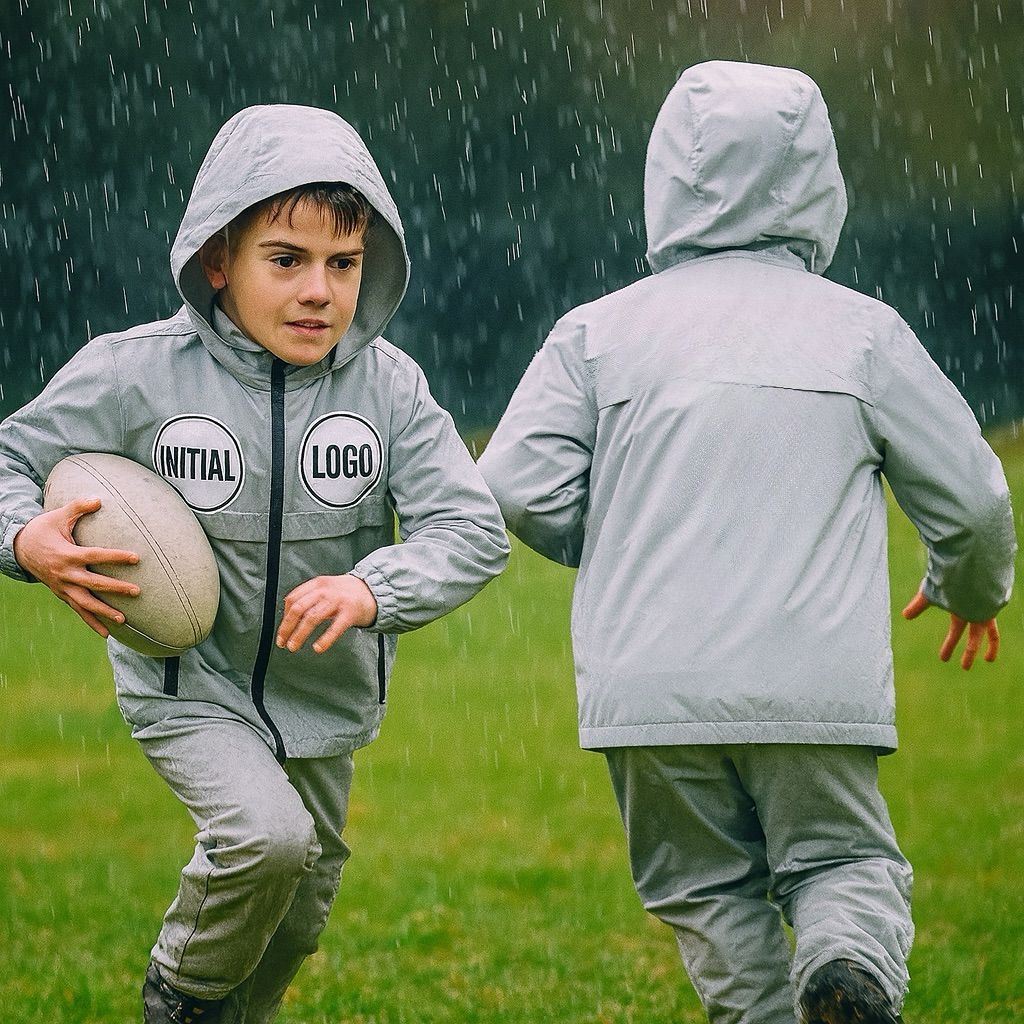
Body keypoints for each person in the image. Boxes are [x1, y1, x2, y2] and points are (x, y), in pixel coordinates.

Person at [478, 61, 1016, 1024]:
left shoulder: (598, 333)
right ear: (819, 180)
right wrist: (969, 587)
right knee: (843, 861)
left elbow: (516, 487)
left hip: (645, 686)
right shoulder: (861, 334)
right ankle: (843, 962)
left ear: (663, 182)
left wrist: (609, 540)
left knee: (707, 896)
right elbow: (971, 496)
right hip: (809, 684)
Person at [0, 104, 509, 1023]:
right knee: (265, 842)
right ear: (218, 262)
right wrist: (23, 538)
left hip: (327, 700)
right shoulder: (137, 373)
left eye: (343, 264)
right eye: (286, 259)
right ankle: (177, 1000)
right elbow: (9, 458)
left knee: (298, 912)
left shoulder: (389, 388)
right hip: (188, 685)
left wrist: (371, 587)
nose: (319, 290)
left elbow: (472, 531)